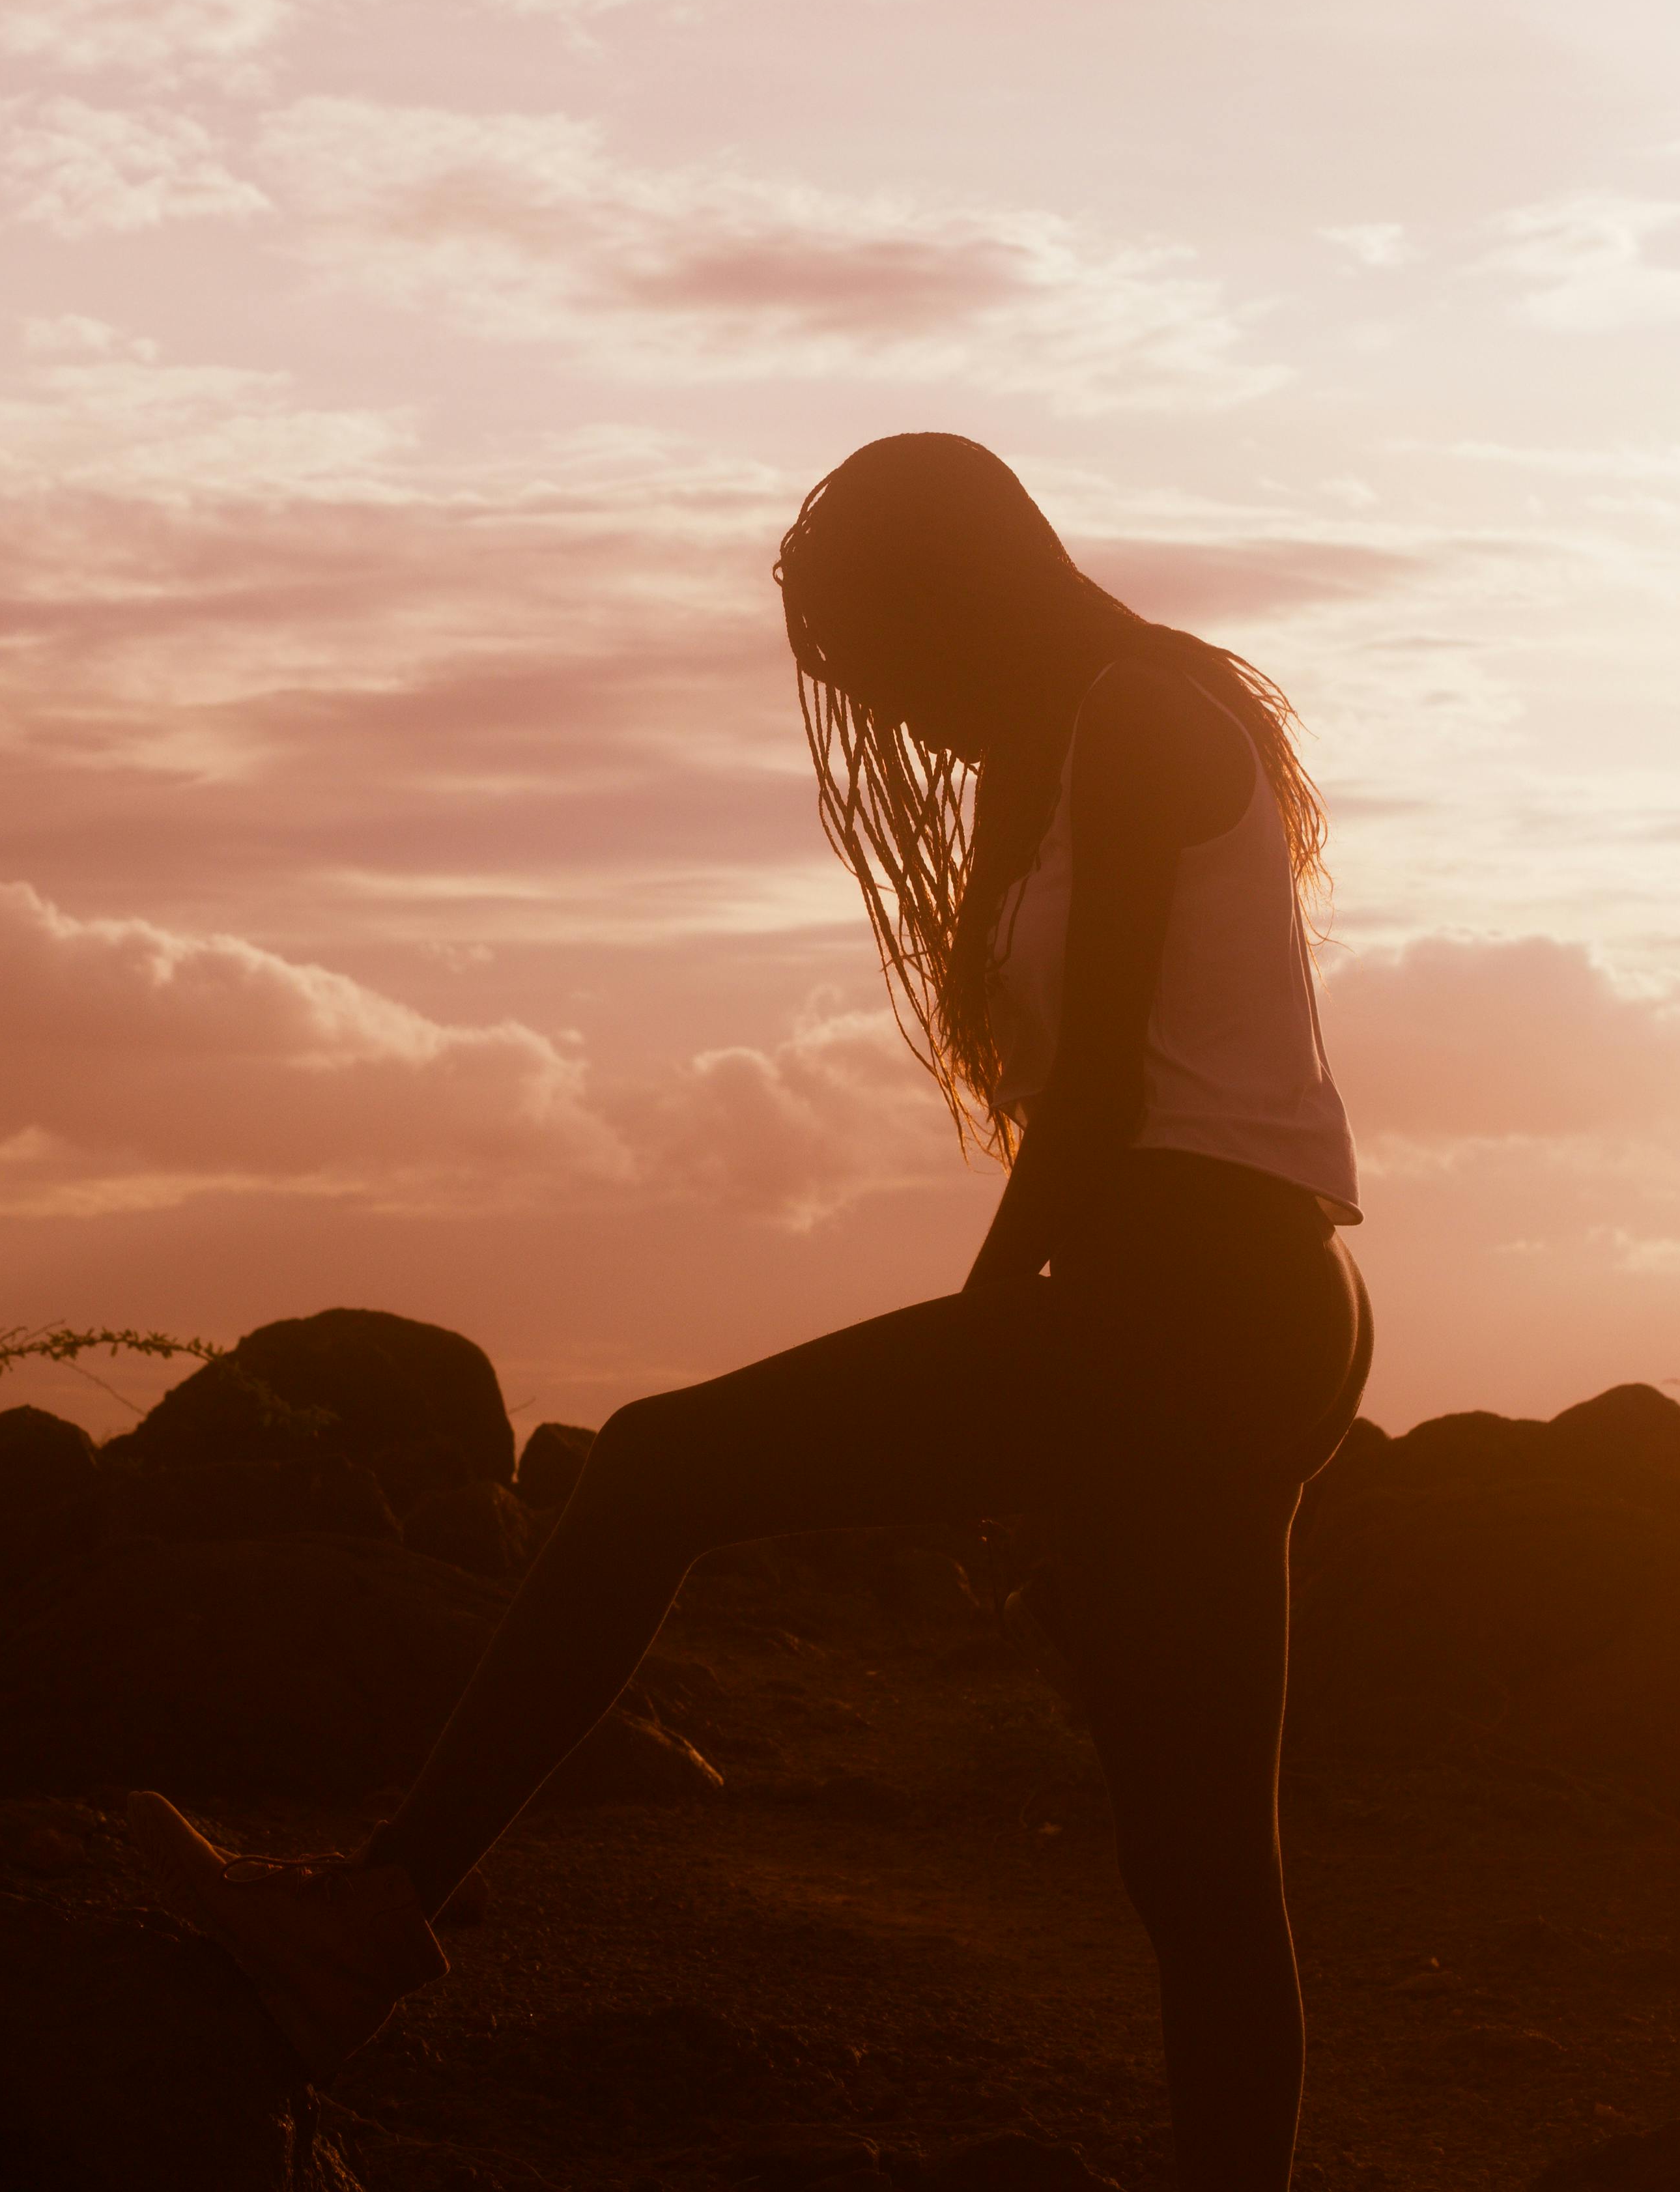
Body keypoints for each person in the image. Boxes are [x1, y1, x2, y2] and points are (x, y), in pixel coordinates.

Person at [130, 433, 1373, 2192]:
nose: (902, 718)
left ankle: (380, 1904)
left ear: (962, 596)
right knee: (1195, 1865)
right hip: (1231, 1306)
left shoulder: (1135, 713)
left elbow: (1099, 1091)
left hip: (1187, 1297)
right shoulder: (1090, 736)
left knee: (650, 1471)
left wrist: (991, 1344)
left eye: (893, 664)